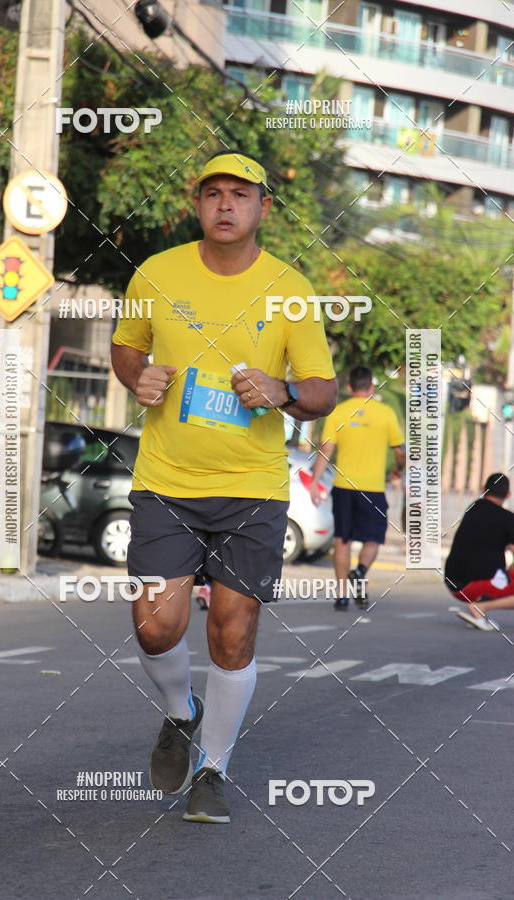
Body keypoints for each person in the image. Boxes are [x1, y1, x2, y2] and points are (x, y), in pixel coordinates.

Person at [111, 151, 337, 823]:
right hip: (167, 480)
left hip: (251, 487)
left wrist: (283, 391)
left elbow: (322, 388)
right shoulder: (157, 273)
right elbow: (128, 345)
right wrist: (135, 376)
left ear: (264, 206)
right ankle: (182, 713)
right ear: (198, 205)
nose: (225, 205)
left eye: (240, 194)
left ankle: (213, 768)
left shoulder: (290, 288)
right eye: (212, 193)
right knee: (155, 626)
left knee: (232, 634)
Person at [309, 365, 405, 610]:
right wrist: (399, 470)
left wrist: (315, 482)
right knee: (373, 538)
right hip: (373, 488)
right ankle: (360, 571)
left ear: (350, 387)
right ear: (371, 386)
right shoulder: (385, 413)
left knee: (343, 540)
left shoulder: (338, 413)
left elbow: (326, 450)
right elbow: (400, 450)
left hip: (343, 486)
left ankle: (342, 596)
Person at [445, 472, 514, 632]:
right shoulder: (507, 519)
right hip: (472, 585)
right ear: (508, 495)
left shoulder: (472, 509)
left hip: (452, 581)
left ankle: (480, 607)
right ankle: (480, 607)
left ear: (483, 489)